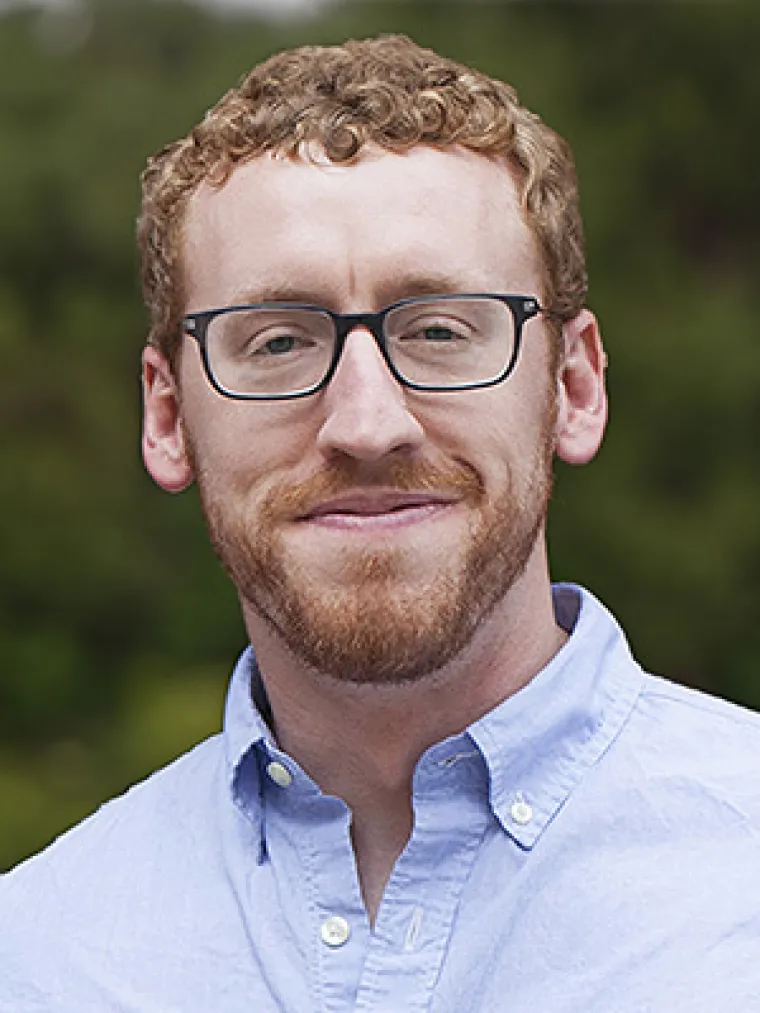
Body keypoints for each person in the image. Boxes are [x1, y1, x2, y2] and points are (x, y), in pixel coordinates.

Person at [1, 33, 759, 1012]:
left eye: (440, 329)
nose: (366, 423)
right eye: (276, 341)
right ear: (165, 415)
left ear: (572, 384)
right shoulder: (38, 954)